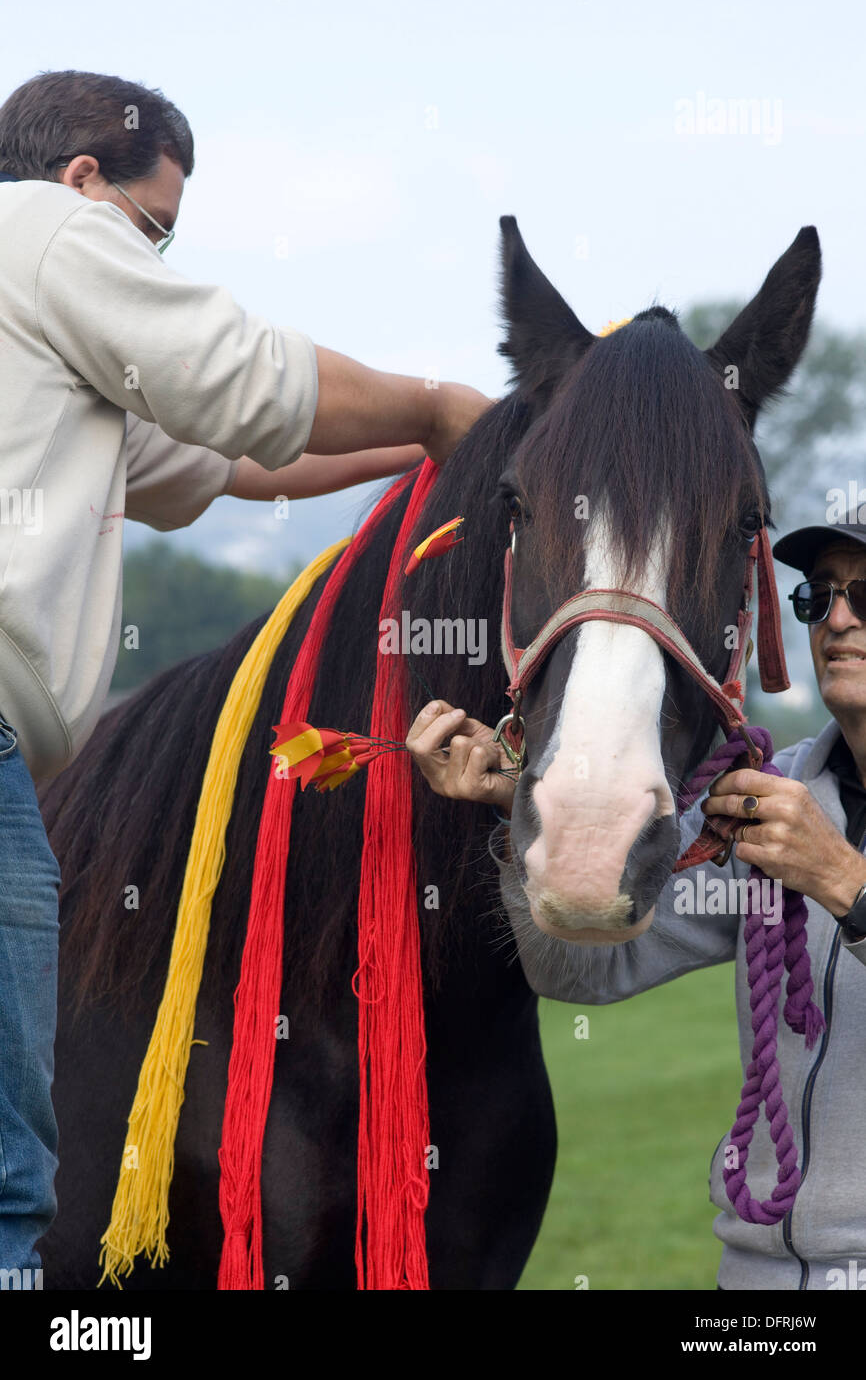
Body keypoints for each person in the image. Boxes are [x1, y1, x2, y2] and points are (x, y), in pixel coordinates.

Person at [0, 68, 490, 1281]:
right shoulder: (40, 228)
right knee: (10, 1177)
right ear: (81, 181)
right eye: (151, 233)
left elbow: (227, 461)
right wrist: (440, 404)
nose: (153, 267)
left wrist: (428, 446)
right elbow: (242, 377)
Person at [407, 518, 866, 1290]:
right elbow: (585, 974)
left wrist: (846, 886)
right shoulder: (771, 800)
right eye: (818, 598)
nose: (839, 619)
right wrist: (526, 815)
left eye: (865, 597)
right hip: (756, 1282)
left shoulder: (801, 836)